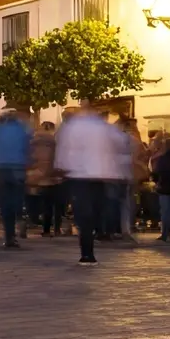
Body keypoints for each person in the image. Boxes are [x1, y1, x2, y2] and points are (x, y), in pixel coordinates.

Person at [55, 99, 129, 265]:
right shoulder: (105, 128)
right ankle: (94, 241)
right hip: (101, 175)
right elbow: (120, 146)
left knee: (84, 215)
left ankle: (87, 252)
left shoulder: (73, 127)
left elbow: (64, 150)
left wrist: (62, 166)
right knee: (97, 211)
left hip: (79, 175)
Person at [0, 108, 33, 249]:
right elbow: (29, 146)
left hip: (1, 168)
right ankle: (20, 217)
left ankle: (9, 235)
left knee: (5, 202)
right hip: (18, 167)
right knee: (17, 199)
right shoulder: (22, 129)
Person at [29, 121, 63, 237]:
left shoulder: (33, 142)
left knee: (43, 204)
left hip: (39, 176)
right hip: (55, 176)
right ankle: (57, 228)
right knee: (56, 204)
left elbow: (31, 159)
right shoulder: (56, 142)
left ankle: (45, 228)